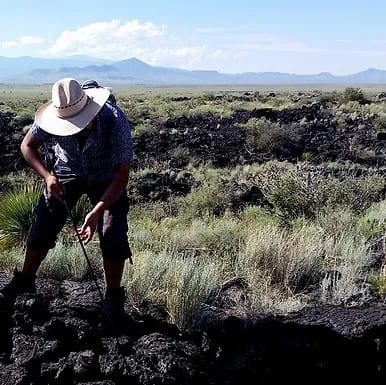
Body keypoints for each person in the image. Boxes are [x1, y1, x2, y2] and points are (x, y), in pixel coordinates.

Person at [0, 78, 133, 325]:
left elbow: (121, 175)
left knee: (112, 230)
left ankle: (113, 298)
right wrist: (48, 176)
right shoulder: (53, 118)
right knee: (46, 217)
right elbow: (27, 145)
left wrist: (97, 211)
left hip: (106, 176)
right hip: (68, 169)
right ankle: (25, 280)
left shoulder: (115, 120)